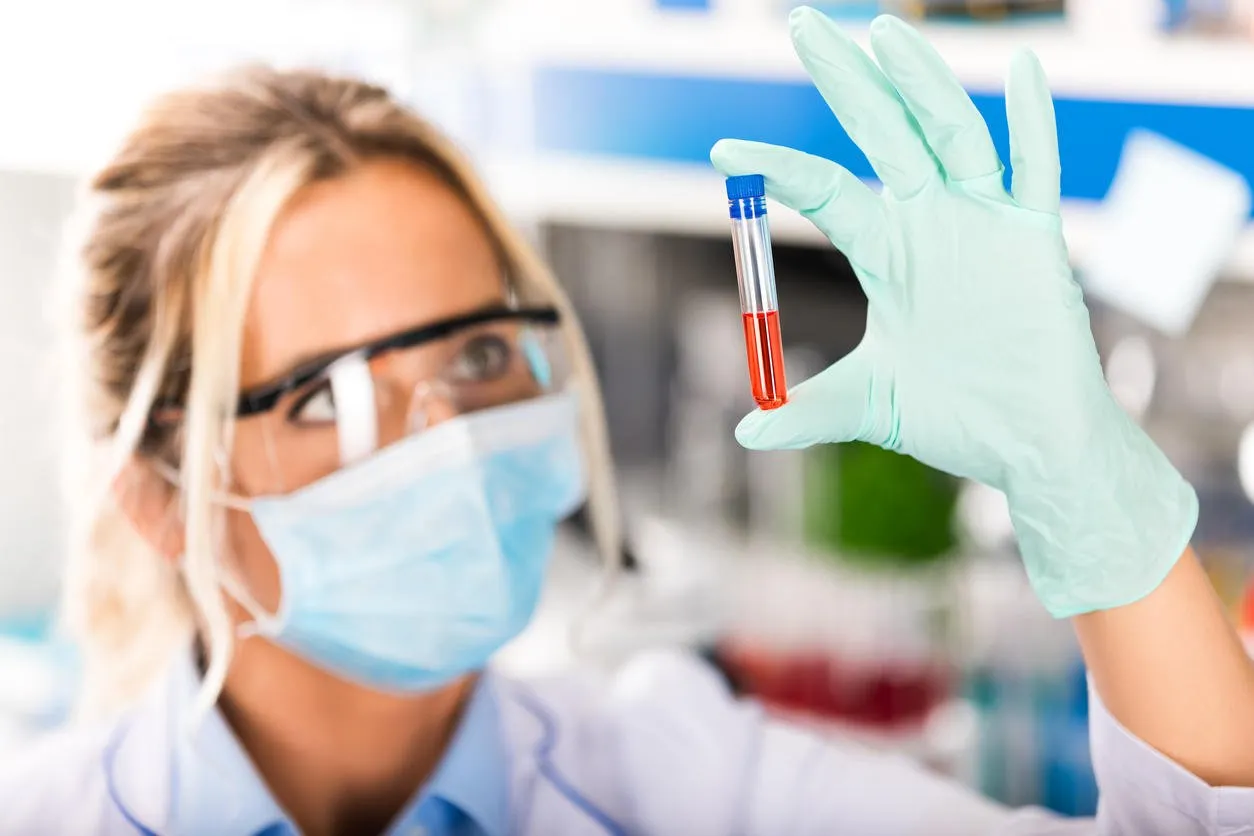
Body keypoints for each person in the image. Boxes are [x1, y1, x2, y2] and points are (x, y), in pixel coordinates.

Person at [3, 7, 1254, 835]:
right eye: (333, 391)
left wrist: (1086, 485)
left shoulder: (678, 776)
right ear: (160, 490)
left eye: (482, 349)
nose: (447, 427)